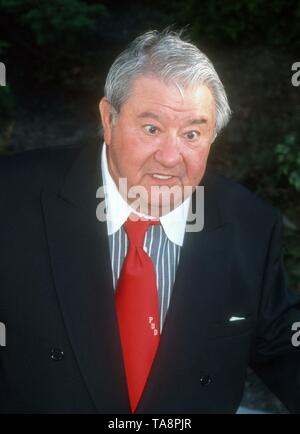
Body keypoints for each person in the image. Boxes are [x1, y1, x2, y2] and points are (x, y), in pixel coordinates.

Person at [0, 29, 299, 414]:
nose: (171, 156)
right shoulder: (11, 199)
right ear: (108, 119)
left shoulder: (251, 226)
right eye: (152, 128)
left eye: (192, 133)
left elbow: (282, 345)